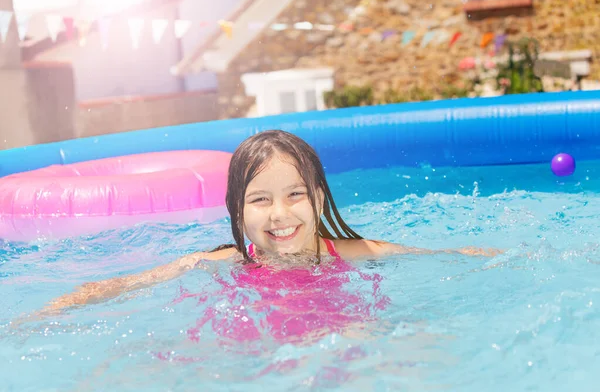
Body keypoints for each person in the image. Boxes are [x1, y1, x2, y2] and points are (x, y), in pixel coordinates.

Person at [45, 130, 502, 313]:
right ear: (237, 212)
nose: (280, 215)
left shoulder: (350, 252)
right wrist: (74, 299)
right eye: (260, 200)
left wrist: (479, 256)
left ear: (319, 200)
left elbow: (426, 256)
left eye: (296, 195)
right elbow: (143, 280)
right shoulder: (226, 263)